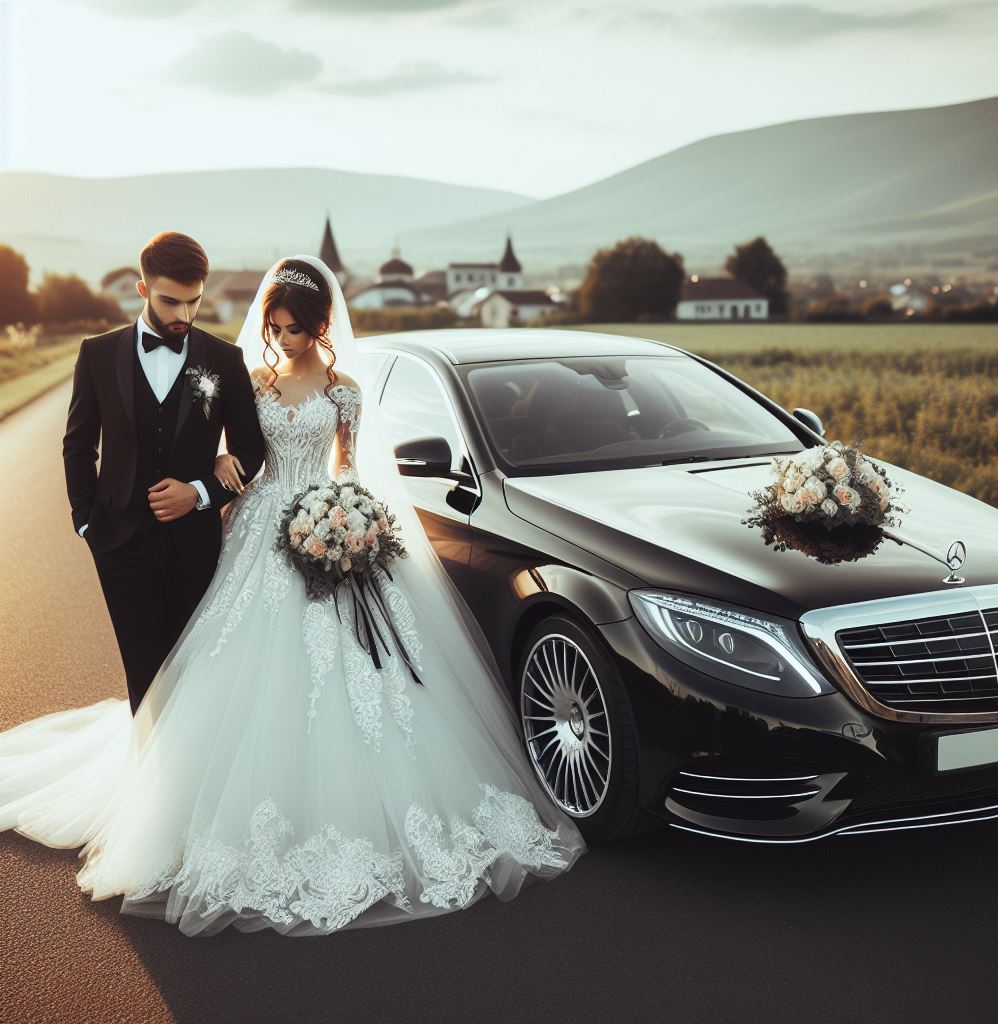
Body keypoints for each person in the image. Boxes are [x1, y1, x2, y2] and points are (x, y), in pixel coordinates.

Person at [0, 254, 586, 937]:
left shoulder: (345, 393)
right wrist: (218, 471)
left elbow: (357, 468)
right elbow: (233, 452)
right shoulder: (249, 379)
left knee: (362, 682)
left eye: (294, 330)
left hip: (330, 519)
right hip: (259, 527)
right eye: (273, 328)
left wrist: (352, 524)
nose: (281, 340)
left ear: (320, 326)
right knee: (228, 661)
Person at [62, 232, 266, 714]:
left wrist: (199, 492)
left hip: (194, 544)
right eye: (170, 301)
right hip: (118, 542)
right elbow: (77, 443)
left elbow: (251, 449)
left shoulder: (224, 360)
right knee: (144, 674)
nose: (184, 315)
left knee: (191, 669)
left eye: (194, 302)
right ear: (143, 288)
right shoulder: (97, 353)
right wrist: (86, 520)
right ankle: (149, 783)